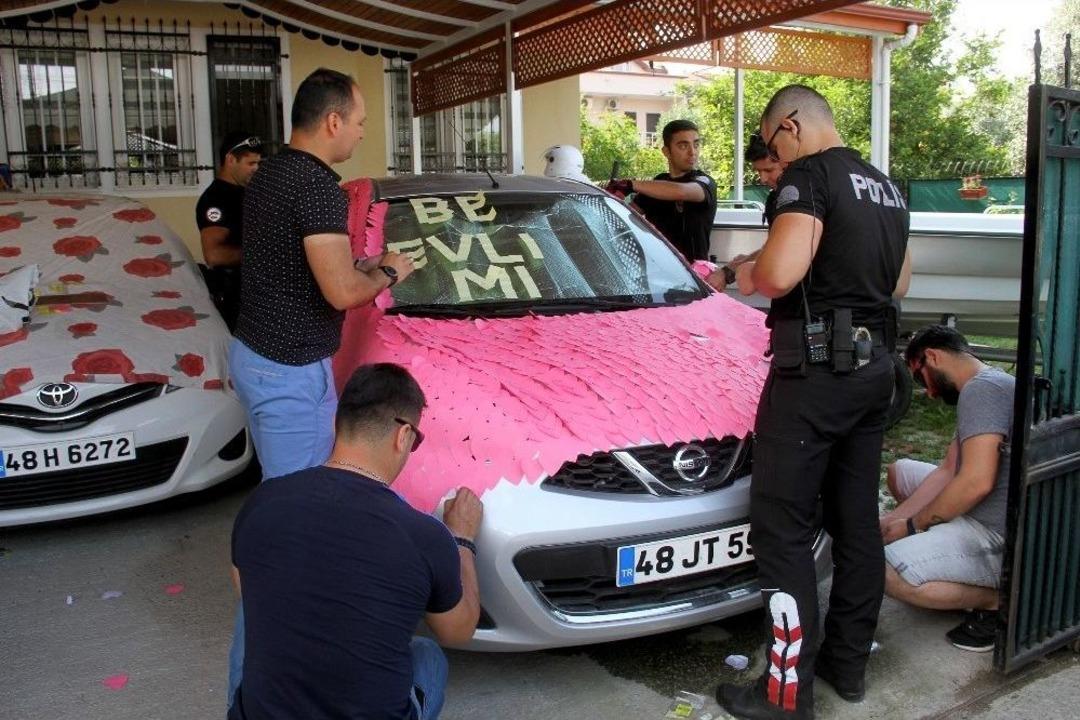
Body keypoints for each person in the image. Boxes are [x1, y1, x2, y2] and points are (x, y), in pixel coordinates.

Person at [715, 85, 913, 720]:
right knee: (855, 518)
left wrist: (744, 271)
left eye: (772, 142)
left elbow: (776, 277)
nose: (774, 154)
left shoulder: (805, 179)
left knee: (782, 529)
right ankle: (847, 666)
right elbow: (899, 280)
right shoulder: (883, 185)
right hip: (873, 368)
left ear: (791, 127)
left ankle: (783, 692)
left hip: (816, 375)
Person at [226, 67, 415, 705]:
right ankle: (253, 698)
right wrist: (389, 268)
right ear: (333, 121)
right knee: (286, 542)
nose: (360, 135)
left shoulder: (273, 172)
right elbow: (340, 289)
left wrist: (358, 268)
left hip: (264, 357)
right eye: (360, 122)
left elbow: (305, 269)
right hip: (287, 372)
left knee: (287, 527)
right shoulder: (315, 185)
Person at [229, 363, 484, 720]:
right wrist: (462, 539)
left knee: (255, 624)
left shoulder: (262, 501)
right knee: (428, 654)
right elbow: (458, 631)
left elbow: (247, 587)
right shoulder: (422, 534)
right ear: (403, 436)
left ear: (338, 422)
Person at [879, 325, 1014, 653]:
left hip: (993, 531)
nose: (930, 393)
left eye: (920, 378)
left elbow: (975, 483)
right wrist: (892, 523)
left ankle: (1000, 600)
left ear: (932, 357)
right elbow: (948, 470)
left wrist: (915, 524)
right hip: (984, 508)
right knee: (899, 472)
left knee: (881, 570)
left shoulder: (981, 392)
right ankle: (931, 551)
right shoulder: (989, 381)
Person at [607, 119, 717, 262]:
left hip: (693, 274)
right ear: (666, 151)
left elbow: (681, 191)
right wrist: (613, 200)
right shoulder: (657, 184)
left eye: (696, 144)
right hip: (658, 270)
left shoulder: (704, 181)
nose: (692, 152)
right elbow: (627, 217)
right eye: (683, 146)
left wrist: (629, 184)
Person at [195, 131, 263, 331]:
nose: (256, 169)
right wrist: (262, 254)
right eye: (250, 164)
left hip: (256, 292)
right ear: (231, 159)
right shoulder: (215, 200)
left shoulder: (247, 193)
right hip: (236, 297)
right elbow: (214, 255)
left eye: (258, 163)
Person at [706, 133, 788, 292]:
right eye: (759, 171)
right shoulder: (775, 198)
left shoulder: (796, 200)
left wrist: (729, 271)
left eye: (769, 170)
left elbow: (776, 250)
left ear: (786, 162)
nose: (763, 179)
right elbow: (772, 246)